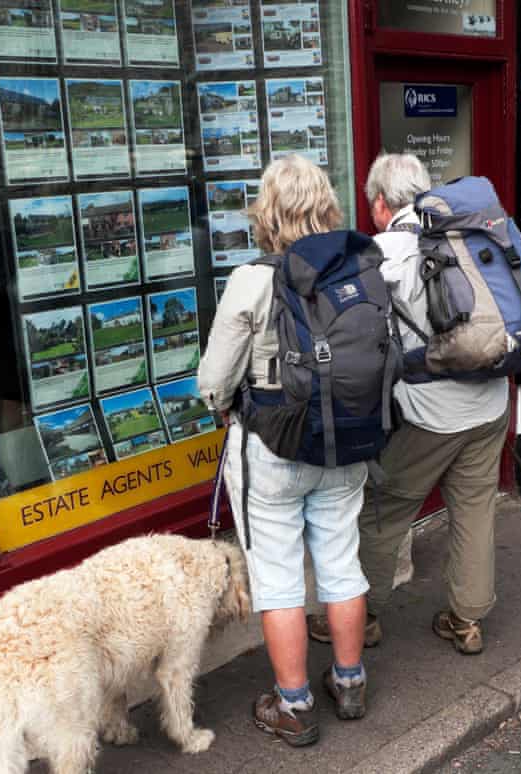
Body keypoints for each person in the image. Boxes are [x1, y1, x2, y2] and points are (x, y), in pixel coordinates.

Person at [198, 155, 369, 747]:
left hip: (272, 443)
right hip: (346, 438)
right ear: (326, 203)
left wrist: (221, 403)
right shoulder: (357, 268)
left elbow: (215, 379)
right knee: (342, 560)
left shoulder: (253, 278)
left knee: (276, 578)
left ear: (265, 212)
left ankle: (293, 704)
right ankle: (349, 681)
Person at [309, 153, 510, 655]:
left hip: (428, 413)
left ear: (380, 202)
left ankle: (364, 617)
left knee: (383, 511)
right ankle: (467, 621)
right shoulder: (467, 236)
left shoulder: (383, 253)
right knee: (475, 510)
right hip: (490, 402)